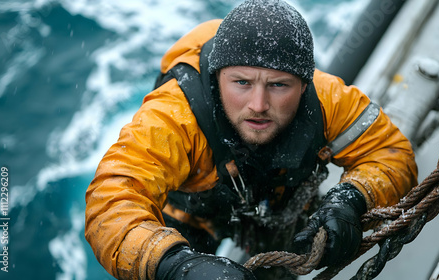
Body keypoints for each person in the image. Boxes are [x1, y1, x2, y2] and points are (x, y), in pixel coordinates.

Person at [85, 0, 418, 279]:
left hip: (281, 202)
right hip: (191, 215)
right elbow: (109, 202)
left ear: (305, 85)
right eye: (241, 83)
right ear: (216, 78)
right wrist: (174, 265)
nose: (258, 105)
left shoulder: (328, 99)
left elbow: (390, 152)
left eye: (278, 86)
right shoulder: (174, 117)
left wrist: (352, 199)